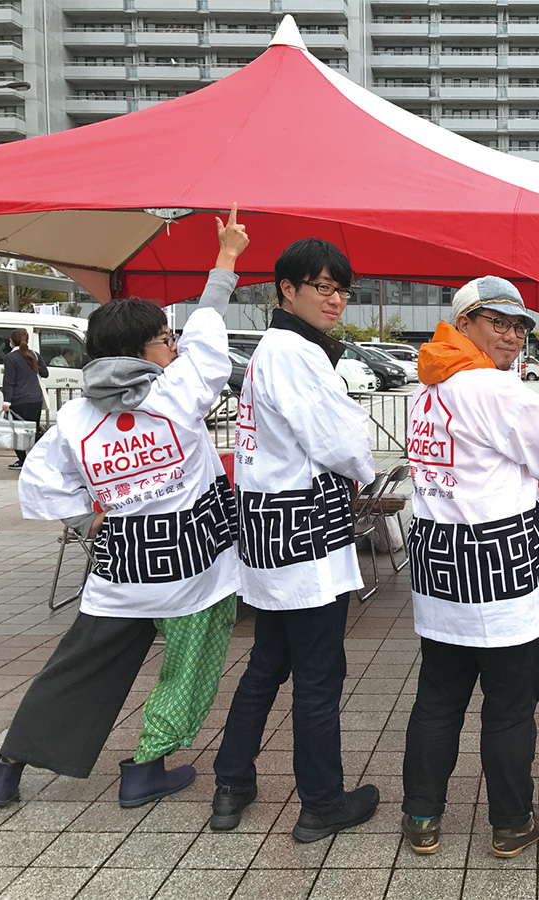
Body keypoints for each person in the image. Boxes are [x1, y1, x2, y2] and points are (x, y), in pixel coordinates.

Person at [0, 207, 247, 809]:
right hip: (194, 566)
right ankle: (146, 766)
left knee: (77, 667)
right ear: (143, 349)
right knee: (190, 667)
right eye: (164, 338)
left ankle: (8, 765)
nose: (173, 345)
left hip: (121, 569)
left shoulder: (75, 418)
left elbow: (42, 486)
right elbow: (208, 326)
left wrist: (89, 519)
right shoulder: (178, 392)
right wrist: (226, 256)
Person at [399, 276, 539, 859]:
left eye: (520, 326)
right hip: (497, 563)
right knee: (508, 701)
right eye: (497, 322)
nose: (513, 336)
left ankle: (422, 817)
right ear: (464, 323)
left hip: (438, 560)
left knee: (438, 696)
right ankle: (510, 821)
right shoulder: (495, 390)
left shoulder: (430, 386)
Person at [212, 238, 378, 844]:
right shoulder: (296, 354)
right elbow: (343, 444)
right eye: (323, 287)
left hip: (266, 526)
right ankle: (321, 802)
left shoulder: (271, 350)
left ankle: (231, 783)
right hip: (303, 533)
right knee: (317, 674)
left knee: (266, 665)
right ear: (288, 288)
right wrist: (362, 462)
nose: (335, 300)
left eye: (342, 288)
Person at [1, 328, 49, 469]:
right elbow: (45, 373)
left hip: (18, 400)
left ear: (11, 341)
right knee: (32, 430)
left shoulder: (10, 358)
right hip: (35, 399)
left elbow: (9, 381)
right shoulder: (34, 354)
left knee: (17, 432)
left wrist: (6, 401)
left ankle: (23, 460)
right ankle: (41, 455)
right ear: (27, 340)